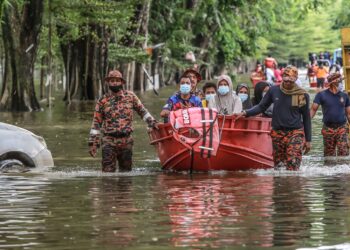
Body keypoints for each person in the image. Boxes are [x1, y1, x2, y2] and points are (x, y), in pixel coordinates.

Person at [236, 65, 311, 171]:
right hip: (277, 133)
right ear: (283, 78)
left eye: (291, 81)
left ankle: (294, 186)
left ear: (295, 80)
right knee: (279, 167)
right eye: (286, 81)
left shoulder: (301, 94)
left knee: (293, 164)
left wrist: (308, 140)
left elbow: (306, 117)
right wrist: (246, 113)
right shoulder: (274, 91)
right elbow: (261, 106)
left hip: (295, 132)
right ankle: (281, 187)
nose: (288, 83)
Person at [88, 70, 158, 172]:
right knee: (108, 175)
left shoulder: (131, 97)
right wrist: (92, 143)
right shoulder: (102, 101)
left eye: (117, 80)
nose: (115, 83)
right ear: (108, 83)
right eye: (112, 80)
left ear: (122, 82)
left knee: (126, 175)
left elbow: (143, 111)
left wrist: (153, 123)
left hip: (126, 141)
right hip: (109, 141)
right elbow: (96, 123)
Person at [310, 73, 350, 158]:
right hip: (328, 129)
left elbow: (348, 114)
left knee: (344, 153)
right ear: (332, 83)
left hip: (342, 128)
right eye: (339, 82)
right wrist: (304, 123)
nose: (341, 84)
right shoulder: (321, 95)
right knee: (329, 156)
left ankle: (343, 171)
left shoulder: (345, 95)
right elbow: (313, 110)